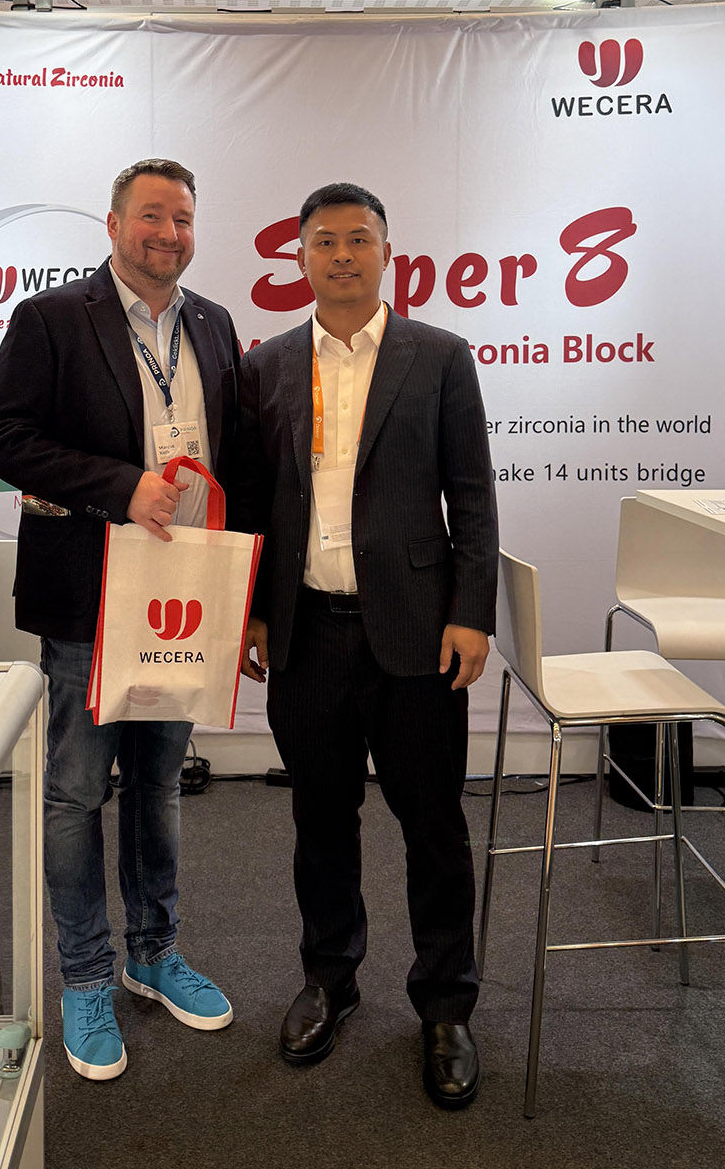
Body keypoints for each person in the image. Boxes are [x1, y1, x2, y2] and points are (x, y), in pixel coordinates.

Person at [0, 159, 238, 1082]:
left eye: (184, 218)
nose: (170, 233)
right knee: (77, 791)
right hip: (89, 595)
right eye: (152, 215)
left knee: (159, 785)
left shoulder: (214, 324)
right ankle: (84, 976)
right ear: (115, 224)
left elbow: (230, 455)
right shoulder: (51, 318)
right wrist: (121, 486)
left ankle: (153, 953)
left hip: (181, 600)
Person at [236, 182, 498, 1109]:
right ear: (300, 257)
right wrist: (251, 611)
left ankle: (446, 1005)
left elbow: (472, 493)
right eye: (324, 241)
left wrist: (473, 611)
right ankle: (329, 980)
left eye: (358, 239)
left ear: (388, 252)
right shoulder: (265, 365)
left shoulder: (440, 356)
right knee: (320, 820)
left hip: (419, 632)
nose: (341, 255)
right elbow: (251, 499)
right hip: (305, 630)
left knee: (434, 826)